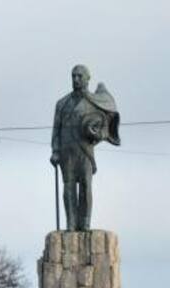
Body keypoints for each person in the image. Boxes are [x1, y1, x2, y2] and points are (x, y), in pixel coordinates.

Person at [50, 64, 120, 231]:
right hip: (67, 152)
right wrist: (55, 150)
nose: (76, 79)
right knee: (68, 187)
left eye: (80, 76)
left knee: (86, 186)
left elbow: (104, 126)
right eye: (73, 76)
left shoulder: (95, 103)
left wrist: (96, 133)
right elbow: (56, 130)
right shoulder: (62, 104)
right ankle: (71, 224)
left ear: (88, 79)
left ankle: (85, 222)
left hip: (85, 150)